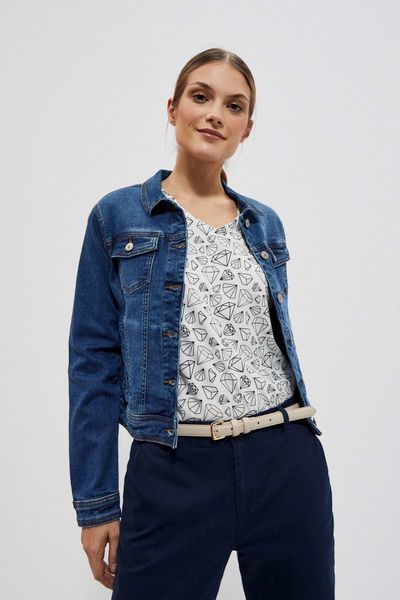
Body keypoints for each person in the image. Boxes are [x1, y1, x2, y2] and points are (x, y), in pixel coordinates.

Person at [68, 47, 335, 599]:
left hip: (285, 461)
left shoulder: (264, 223)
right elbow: (92, 364)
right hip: (173, 469)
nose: (215, 114)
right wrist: (96, 505)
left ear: (246, 128)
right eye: (201, 96)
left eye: (234, 106)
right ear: (173, 109)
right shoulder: (117, 216)